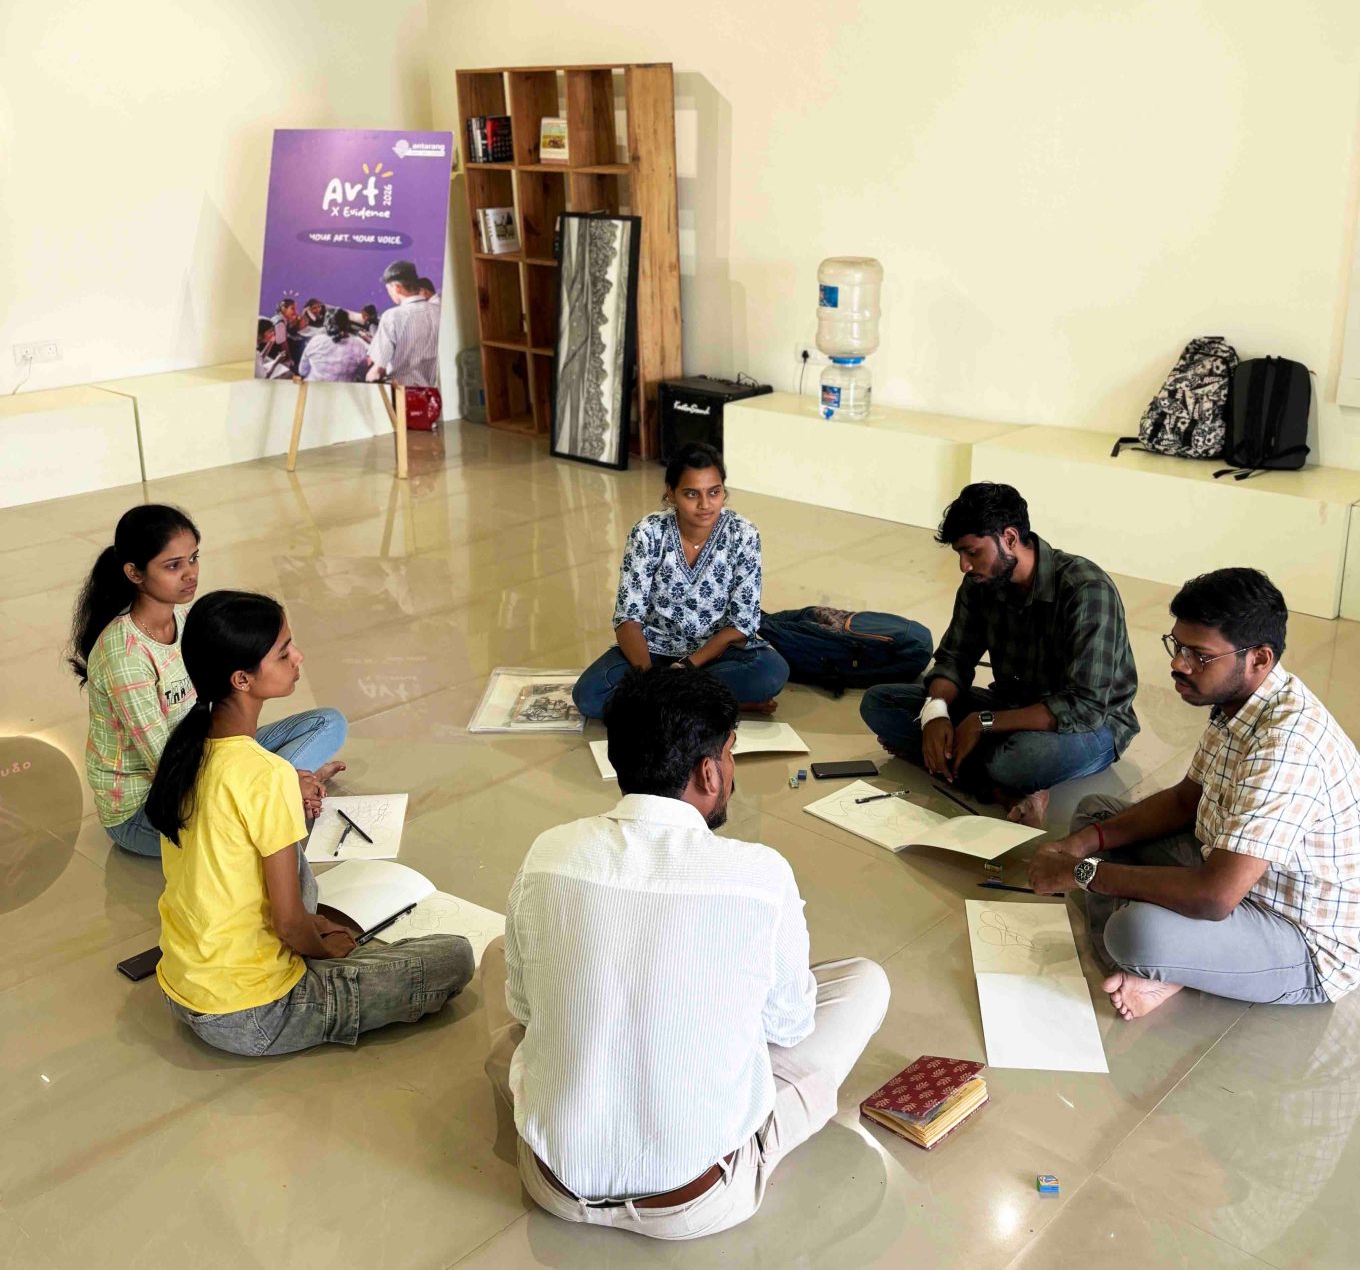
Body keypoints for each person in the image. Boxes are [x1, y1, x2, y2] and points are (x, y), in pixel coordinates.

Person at [481, 666, 889, 1239]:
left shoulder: (550, 852)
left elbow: (525, 1011)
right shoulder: (759, 873)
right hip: (697, 1201)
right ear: (708, 771)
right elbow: (790, 1026)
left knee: (500, 953)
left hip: (552, 1185)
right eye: (730, 752)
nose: (731, 768)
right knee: (864, 982)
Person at [1026, 568, 1360, 1020]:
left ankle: (1161, 962)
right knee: (1095, 816)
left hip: (1303, 940)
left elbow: (1216, 896)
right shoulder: (1239, 701)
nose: (1179, 664)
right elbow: (1186, 800)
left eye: (1199, 656)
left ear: (1259, 659)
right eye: (1177, 646)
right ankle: (1178, 959)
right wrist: (1079, 847)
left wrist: (1082, 872)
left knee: (1135, 932)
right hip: (1236, 873)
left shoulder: (1286, 746)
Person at [148, 590, 474, 1054]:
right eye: (284, 652)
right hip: (255, 1012)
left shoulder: (186, 752)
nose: (298, 657)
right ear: (241, 679)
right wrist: (327, 949)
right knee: (454, 957)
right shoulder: (266, 774)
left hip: (184, 986)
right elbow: (288, 926)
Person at [69, 505, 348, 857]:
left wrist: (253, 768)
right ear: (135, 573)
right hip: (149, 807)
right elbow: (166, 768)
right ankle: (287, 786)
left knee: (329, 723)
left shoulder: (185, 618)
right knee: (245, 831)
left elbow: (223, 703)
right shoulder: (124, 656)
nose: (190, 574)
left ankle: (282, 785)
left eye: (193, 558)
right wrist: (277, 777)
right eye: (173, 566)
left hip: (202, 753)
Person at [860, 482, 1138, 825]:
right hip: (1010, 707)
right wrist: (935, 713)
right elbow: (954, 659)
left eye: (972, 552)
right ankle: (1002, 789)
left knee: (1020, 759)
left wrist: (984, 722)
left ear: (1009, 538)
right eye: (959, 554)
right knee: (880, 704)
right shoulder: (980, 584)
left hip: (1091, 726)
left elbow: (1086, 706)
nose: (964, 565)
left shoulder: (1086, 589)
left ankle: (978, 770)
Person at [572, 442, 789, 719]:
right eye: (691, 494)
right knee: (589, 696)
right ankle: (714, 702)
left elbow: (741, 623)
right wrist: (651, 678)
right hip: (652, 652)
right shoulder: (648, 533)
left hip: (715, 654)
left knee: (771, 672)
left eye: (714, 492)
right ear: (671, 494)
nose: (705, 504)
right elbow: (628, 618)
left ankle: (669, 701)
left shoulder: (743, 534)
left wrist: (687, 667)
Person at [366, 259, 440, 386]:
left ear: (397, 288)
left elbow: (378, 371)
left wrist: (368, 378)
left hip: (404, 393)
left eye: (388, 289)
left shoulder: (392, 317)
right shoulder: (440, 311)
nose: (389, 294)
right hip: (437, 393)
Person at [298, 308, 371, 383]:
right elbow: (362, 375)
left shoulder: (316, 341)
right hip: (343, 389)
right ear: (347, 325)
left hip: (313, 387)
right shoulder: (358, 346)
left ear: (326, 324)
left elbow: (302, 371)